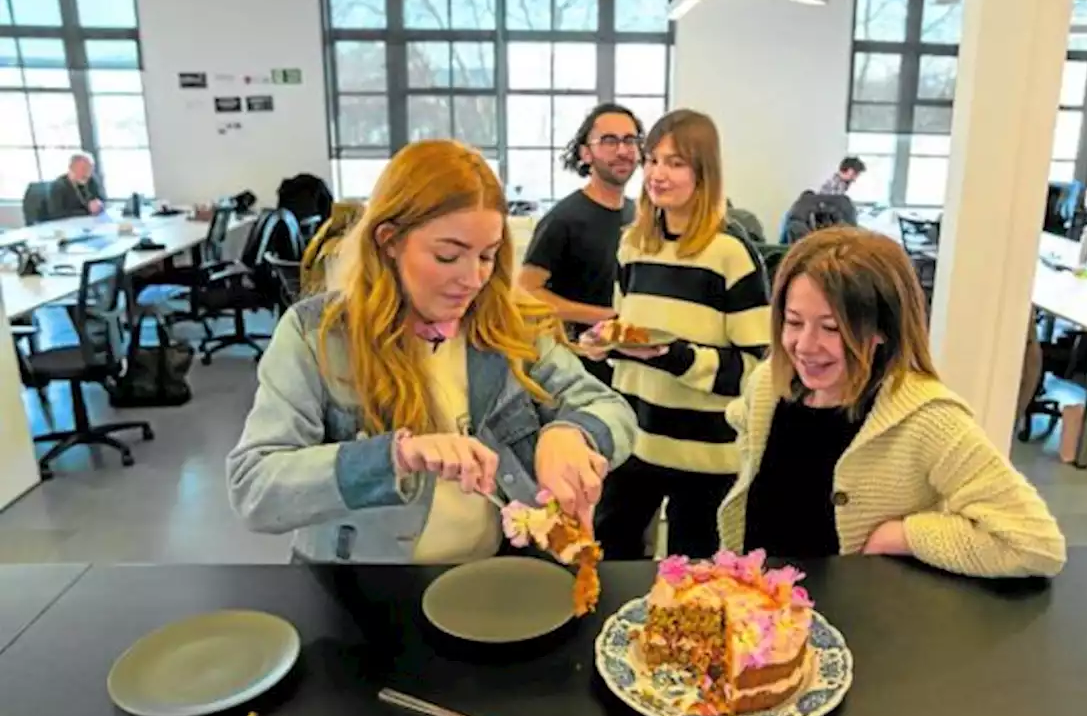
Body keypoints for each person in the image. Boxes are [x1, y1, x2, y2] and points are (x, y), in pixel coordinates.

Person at [227, 140, 637, 565]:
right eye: (448, 256)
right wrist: (395, 458)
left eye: (487, 257)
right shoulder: (317, 335)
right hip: (360, 587)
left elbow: (610, 408)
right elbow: (254, 488)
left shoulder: (510, 325)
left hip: (489, 579)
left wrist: (572, 433)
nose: (473, 279)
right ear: (389, 240)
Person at [717, 227, 1066, 578]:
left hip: (859, 623)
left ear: (882, 329)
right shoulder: (768, 384)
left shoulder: (927, 418)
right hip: (763, 619)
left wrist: (904, 536)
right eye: (793, 322)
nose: (805, 346)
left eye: (832, 328)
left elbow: (1036, 545)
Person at [590, 110, 771, 560]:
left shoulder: (731, 253)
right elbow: (626, 336)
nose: (656, 173)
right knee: (610, 559)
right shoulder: (633, 245)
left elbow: (755, 372)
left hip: (706, 456)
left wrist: (675, 356)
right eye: (652, 159)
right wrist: (607, 344)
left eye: (675, 163)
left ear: (703, 172)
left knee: (695, 583)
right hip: (635, 440)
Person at [519, 103, 643, 384]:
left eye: (630, 140)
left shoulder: (639, 215)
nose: (623, 151)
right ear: (586, 153)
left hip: (627, 365)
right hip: (579, 371)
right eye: (609, 141)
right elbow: (527, 292)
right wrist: (605, 317)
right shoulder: (563, 219)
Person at [46, 152, 106, 220]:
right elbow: (56, 213)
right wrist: (88, 210)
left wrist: (100, 204)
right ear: (71, 168)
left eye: (90, 169)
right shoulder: (59, 186)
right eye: (83, 169)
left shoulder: (91, 180)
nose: (88, 173)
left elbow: (101, 199)